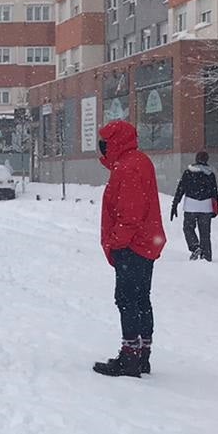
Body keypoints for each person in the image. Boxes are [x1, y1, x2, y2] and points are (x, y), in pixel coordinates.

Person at [93, 120, 166, 378]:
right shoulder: (136, 162)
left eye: (105, 142)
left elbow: (130, 214)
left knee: (127, 300)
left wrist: (115, 241)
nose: (101, 148)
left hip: (133, 245)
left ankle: (130, 357)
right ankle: (142, 354)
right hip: (144, 242)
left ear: (115, 142)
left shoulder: (129, 167)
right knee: (141, 299)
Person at [170, 150, 218, 260]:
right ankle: (206, 255)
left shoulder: (188, 172)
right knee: (205, 232)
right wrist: (216, 208)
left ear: (196, 159)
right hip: (206, 206)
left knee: (188, 228)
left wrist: (175, 204)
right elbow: (214, 192)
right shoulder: (210, 174)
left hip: (191, 205)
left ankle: (195, 246)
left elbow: (181, 189)